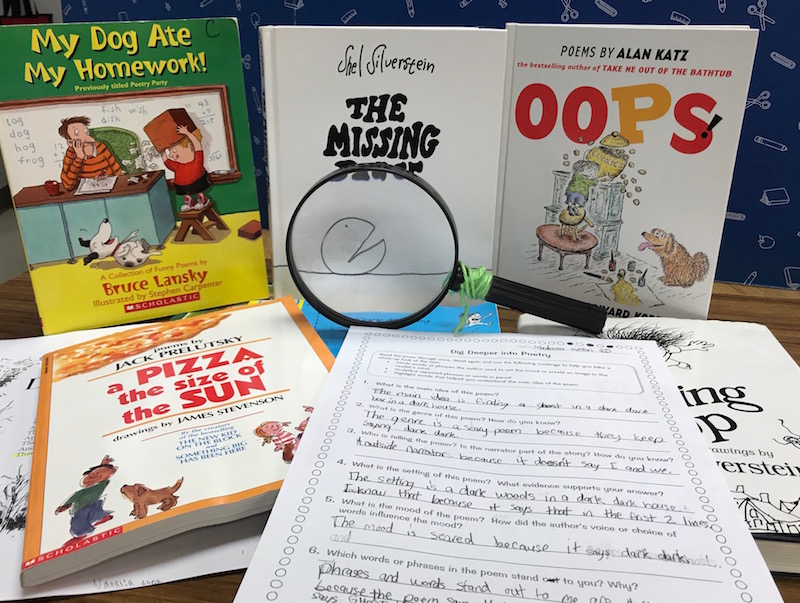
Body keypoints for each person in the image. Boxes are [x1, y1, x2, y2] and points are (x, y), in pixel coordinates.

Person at [55, 455, 117, 546]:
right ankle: (96, 520)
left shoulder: (101, 485)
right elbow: (71, 501)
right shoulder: (83, 491)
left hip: (89, 508)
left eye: (100, 476)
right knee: (82, 520)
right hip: (83, 509)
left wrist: (104, 467)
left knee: (79, 527)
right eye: (93, 473)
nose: (95, 476)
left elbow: (105, 476)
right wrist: (63, 507)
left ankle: (81, 532)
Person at [58, 116, 123, 191]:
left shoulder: (100, 147)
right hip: (84, 194)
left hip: (108, 190)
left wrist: (109, 177)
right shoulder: (71, 154)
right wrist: (79, 157)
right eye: (77, 133)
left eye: (85, 130)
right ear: (70, 142)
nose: (84, 135)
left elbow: (118, 172)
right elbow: (68, 185)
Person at [161, 124, 212, 211]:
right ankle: (189, 202)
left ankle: (202, 199)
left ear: (189, 146)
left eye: (174, 151)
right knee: (186, 194)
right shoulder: (178, 166)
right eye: (170, 152)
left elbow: (197, 146)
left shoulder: (197, 161)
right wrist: (162, 151)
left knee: (198, 191)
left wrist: (187, 133)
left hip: (198, 182)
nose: (171, 155)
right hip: (182, 187)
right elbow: (167, 162)